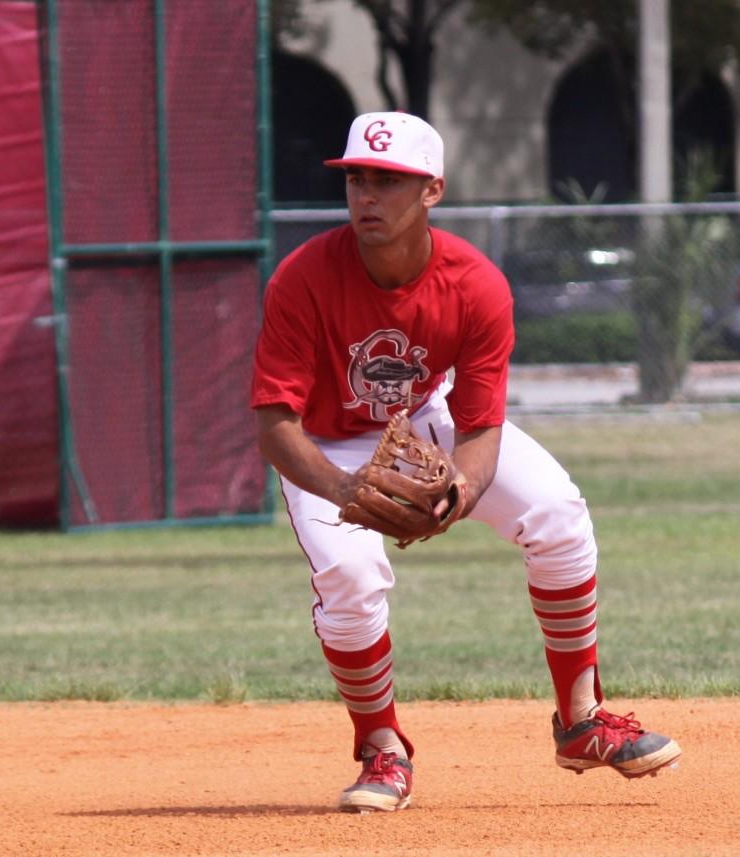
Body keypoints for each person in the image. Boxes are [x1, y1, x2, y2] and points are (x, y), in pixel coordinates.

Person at [250, 111, 681, 813]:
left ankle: (581, 719)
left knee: (557, 512)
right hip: (327, 443)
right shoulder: (302, 278)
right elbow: (274, 423)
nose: (366, 195)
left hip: (428, 421)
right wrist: (343, 487)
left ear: (432, 192)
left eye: (389, 181)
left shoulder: (476, 284)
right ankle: (382, 749)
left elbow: (480, 424)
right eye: (357, 177)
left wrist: (464, 486)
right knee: (351, 573)